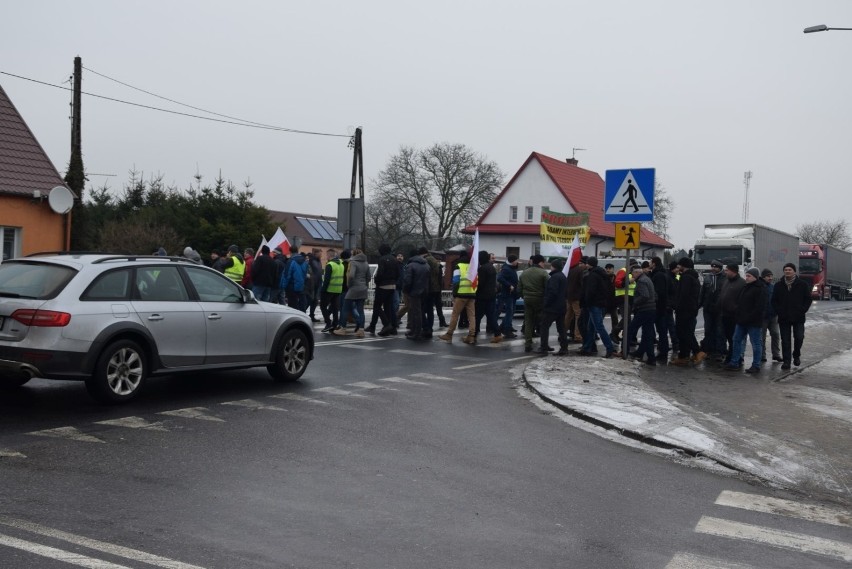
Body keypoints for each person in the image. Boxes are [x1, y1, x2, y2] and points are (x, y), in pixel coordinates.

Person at [726, 267, 768, 373]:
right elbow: (740, 303)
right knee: (736, 340)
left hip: (753, 322)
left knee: (756, 343)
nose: (747, 278)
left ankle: (756, 365)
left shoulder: (760, 289)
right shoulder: (746, 287)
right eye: (746, 275)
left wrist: (748, 317)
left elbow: (759, 307)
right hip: (741, 321)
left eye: (749, 276)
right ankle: (734, 362)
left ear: (755, 277)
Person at [772, 262, 813, 370]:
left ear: (794, 271)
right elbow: (774, 300)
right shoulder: (779, 285)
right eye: (785, 270)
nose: (787, 271)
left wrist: (802, 310)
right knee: (785, 340)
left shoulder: (802, 284)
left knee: (799, 337)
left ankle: (796, 354)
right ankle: (786, 361)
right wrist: (779, 311)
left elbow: (808, 299)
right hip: (784, 317)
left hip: (798, 317)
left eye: (789, 269)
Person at [580, 257, 619, 358]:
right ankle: (587, 348)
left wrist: (586, 303)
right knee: (591, 327)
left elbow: (590, 292)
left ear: (589, 264)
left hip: (594, 304)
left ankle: (609, 348)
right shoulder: (604, 274)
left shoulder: (592, 275)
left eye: (587, 263)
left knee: (599, 327)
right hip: (602, 304)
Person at [439, 252, 478, 344]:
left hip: (461, 294)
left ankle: (449, 334)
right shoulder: (473, 267)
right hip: (471, 294)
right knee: (471, 316)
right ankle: (471, 336)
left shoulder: (458, 266)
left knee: (455, 315)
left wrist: (454, 294)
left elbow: (456, 281)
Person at [671, 257, 702, 366]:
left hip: (684, 310)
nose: (677, 267)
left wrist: (676, 306)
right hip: (691, 309)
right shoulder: (693, 277)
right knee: (685, 332)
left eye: (679, 265)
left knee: (684, 332)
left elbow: (683, 295)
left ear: (683, 265)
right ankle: (684, 356)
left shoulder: (686, 278)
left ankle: (697, 352)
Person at [333, 247, 369, 338]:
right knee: (360, 310)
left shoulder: (353, 262)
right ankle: (361, 330)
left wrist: (349, 284)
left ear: (354, 255)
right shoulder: (366, 263)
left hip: (353, 288)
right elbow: (368, 276)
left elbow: (351, 275)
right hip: (363, 288)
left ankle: (343, 329)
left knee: (345, 308)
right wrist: (365, 284)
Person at [625, 264, 657, 365]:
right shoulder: (647, 279)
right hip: (651, 309)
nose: (632, 276)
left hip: (644, 310)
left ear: (636, 272)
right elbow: (654, 295)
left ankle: (624, 351)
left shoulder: (642, 281)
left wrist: (634, 302)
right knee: (647, 334)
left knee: (630, 329)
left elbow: (645, 295)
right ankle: (650, 357)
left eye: (632, 274)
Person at [517, 254, 549, 352]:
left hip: (527, 299)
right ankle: (544, 344)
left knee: (528, 322)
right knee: (543, 322)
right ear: (541, 262)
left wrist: (524, 296)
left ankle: (528, 344)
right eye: (544, 262)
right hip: (539, 299)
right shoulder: (543, 273)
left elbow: (519, 288)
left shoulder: (524, 273)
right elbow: (548, 288)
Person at [539, 258, 569, 355]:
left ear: (553, 267)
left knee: (544, 326)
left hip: (552, 307)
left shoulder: (554, 277)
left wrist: (545, 303)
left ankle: (543, 348)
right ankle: (564, 348)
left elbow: (552, 292)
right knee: (561, 328)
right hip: (561, 306)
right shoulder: (563, 276)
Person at [370, 244, 401, 336]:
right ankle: (392, 327)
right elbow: (398, 273)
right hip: (392, 286)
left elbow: (380, 273)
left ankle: (386, 324)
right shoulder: (394, 259)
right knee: (388, 307)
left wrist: (377, 282)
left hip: (383, 285)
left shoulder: (382, 259)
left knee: (377, 306)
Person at [698, 260, 725, 360]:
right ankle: (709, 350)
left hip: (719, 309)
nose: (713, 269)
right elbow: (703, 292)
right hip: (708, 308)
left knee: (719, 330)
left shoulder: (724, 278)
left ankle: (719, 351)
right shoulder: (708, 277)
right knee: (708, 329)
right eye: (712, 267)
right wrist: (699, 304)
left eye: (716, 267)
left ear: (720, 268)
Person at [718, 264, 745, 363]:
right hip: (724, 315)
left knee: (735, 338)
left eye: (727, 270)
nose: (725, 272)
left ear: (733, 271)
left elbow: (743, 300)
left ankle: (736, 358)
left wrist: (736, 309)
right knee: (728, 337)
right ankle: (731, 356)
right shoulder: (726, 281)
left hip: (734, 316)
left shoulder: (742, 283)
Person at [474, 250, 502, 343]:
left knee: (477, 316)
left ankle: (473, 334)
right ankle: (497, 334)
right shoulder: (491, 267)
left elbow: (480, 283)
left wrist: (475, 289)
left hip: (482, 296)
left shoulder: (482, 269)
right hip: (491, 295)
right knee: (491, 316)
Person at [402, 249, 430, 340]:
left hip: (414, 292)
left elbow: (407, 281)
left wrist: (406, 290)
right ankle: (415, 330)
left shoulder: (410, 266)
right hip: (424, 291)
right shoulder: (426, 265)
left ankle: (416, 332)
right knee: (420, 311)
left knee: (415, 312)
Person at [649, 257, 670, 362]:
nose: (649, 264)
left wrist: (654, 302)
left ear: (654, 263)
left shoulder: (658, 275)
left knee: (661, 330)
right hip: (661, 306)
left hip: (659, 307)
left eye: (650, 262)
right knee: (661, 330)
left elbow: (659, 292)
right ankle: (662, 351)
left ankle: (663, 352)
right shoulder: (661, 273)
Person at [420, 247, 443, 337]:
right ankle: (430, 327)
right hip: (435, 288)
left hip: (429, 288)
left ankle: (426, 328)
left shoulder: (426, 260)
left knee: (424, 309)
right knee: (430, 309)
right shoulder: (433, 260)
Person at [760, 269, 782, 363]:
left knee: (776, 334)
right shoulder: (760, 287)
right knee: (762, 337)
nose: (770, 278)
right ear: (763, 277)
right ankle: (762, 355)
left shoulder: (773, 287)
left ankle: (776, 354)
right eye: (768, 276)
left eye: (771, 276)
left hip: (773, 315)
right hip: (762, 317)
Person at [320, 249, 344, 333]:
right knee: (335, 308)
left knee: (323, 306)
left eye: (326, 255)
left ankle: (328, 323)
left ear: (329, 256)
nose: (326, 257)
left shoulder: (330, 265)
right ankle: (335, 324)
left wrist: (323, 290)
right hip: (338, 289)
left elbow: (326, 280)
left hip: (329, 289)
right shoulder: (341, 264)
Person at [497, 255, 520, 338]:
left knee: (511, 311)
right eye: (516, 261)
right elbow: (499, 278)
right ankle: (506, 330)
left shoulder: (510, 268)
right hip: (508, 294)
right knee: (509, 312)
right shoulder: (506, 269)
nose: (517, 262)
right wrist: (509, 285)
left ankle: (503, 327)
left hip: (512, 294)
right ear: (512, 261)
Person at [565, 257, 585, 343]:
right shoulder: (580, 271)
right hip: (576, 297)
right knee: (578, 316)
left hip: (569, 296)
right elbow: (582, 284)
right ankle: (578, 336)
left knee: (568, 315)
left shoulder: (570, 269)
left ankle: (562, 332)